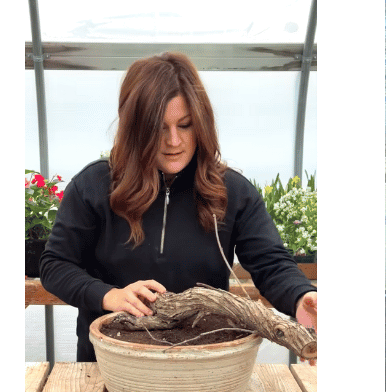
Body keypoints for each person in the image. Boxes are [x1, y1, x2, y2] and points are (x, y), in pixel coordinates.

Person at [39, 52, 317, 362]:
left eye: (185, 125)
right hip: (109, 366)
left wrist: (301, 296)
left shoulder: (233, 192)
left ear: (202, 124)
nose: (174, 141)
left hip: (205, 363)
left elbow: (271, 263)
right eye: (158, 128)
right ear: (135, 129)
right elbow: (55, 265)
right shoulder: (94, 185)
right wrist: (109, 295)